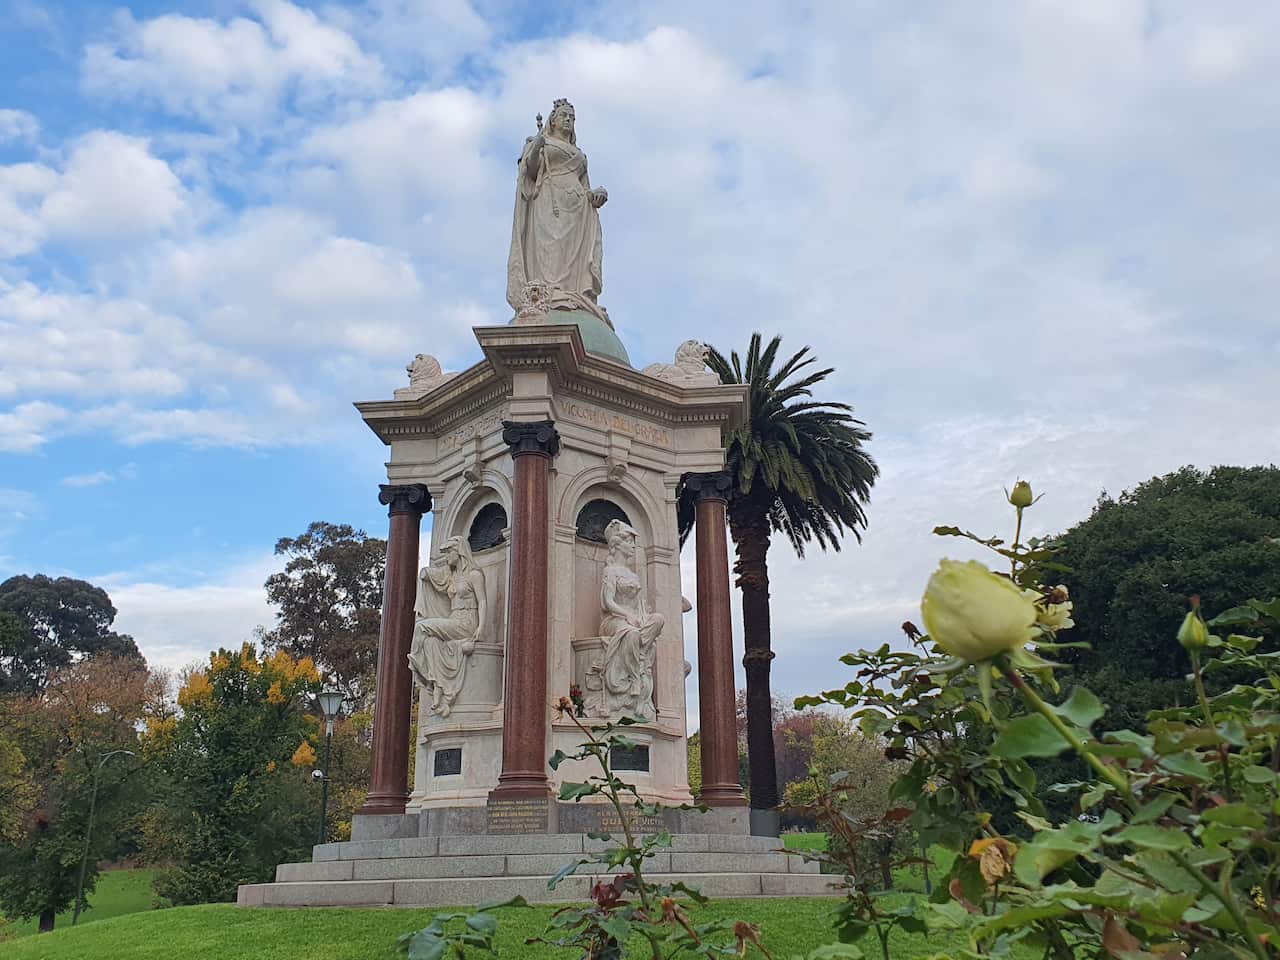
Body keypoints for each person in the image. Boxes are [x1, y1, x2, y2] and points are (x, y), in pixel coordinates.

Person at [506, 98, 610, 323]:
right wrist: (537, 146)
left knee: (572, 254)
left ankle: (574, 294)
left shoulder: (578, 153)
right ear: (552, 120)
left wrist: (596, 195)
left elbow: (585, 187)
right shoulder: (539, 142)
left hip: (579, 208)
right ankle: (547, 295)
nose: (568, 120)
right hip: (549, 201)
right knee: (550, 247)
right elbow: (531, 171)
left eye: (572, 118)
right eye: (564, 116)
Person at [591, 519, 665, 719]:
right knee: (630, 633)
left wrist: (643, 617)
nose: (633, 546)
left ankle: (639, 655)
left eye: (633, 542)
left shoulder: (633, 575)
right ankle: (633, 678)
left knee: (658, 618)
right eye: (629, 541)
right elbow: (607, 603)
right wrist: (628, 617)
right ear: (617, 544)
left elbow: (640, 604)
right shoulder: (610, 571)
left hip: (633, 619)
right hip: (613, 621)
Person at [407, 537, 487, 717]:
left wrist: (481, 628)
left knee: (421, 628)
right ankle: (437, 690)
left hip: (466, 623)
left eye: (448, 553)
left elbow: (482, 601)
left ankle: (416, 663)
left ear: (458, 552)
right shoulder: (450, 576)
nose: (446, 557)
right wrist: (424, 574)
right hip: (453, 620)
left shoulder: (474, 575)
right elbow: (430, 576)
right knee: (430, 643)